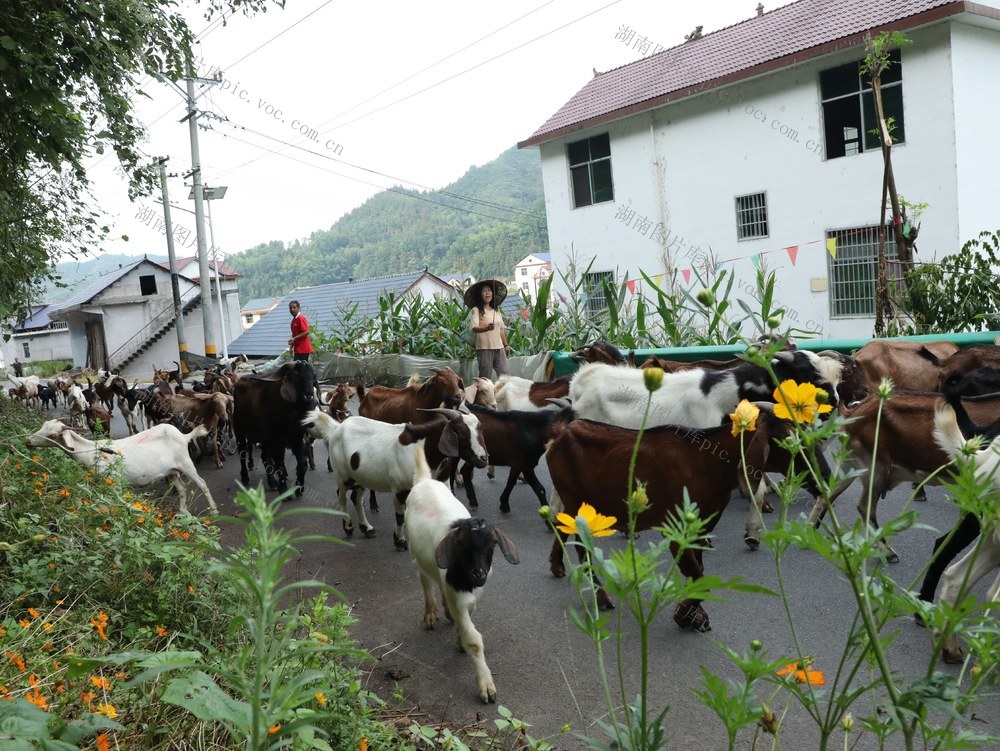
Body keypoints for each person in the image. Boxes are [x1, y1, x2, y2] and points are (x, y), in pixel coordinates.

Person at [465, 279, 511, 379]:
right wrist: (487, 328)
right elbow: (474, 328)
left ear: (493, 293)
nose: (487, 293)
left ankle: (503, 394)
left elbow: (501, 330)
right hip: (484, 348)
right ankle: (483, 395)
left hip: (499, 347)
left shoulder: (496, 310)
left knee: (504, 376)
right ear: (479, 294)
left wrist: (506, 345)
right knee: (485, 378)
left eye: (489, 290)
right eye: (484, 291)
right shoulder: (476, 310)